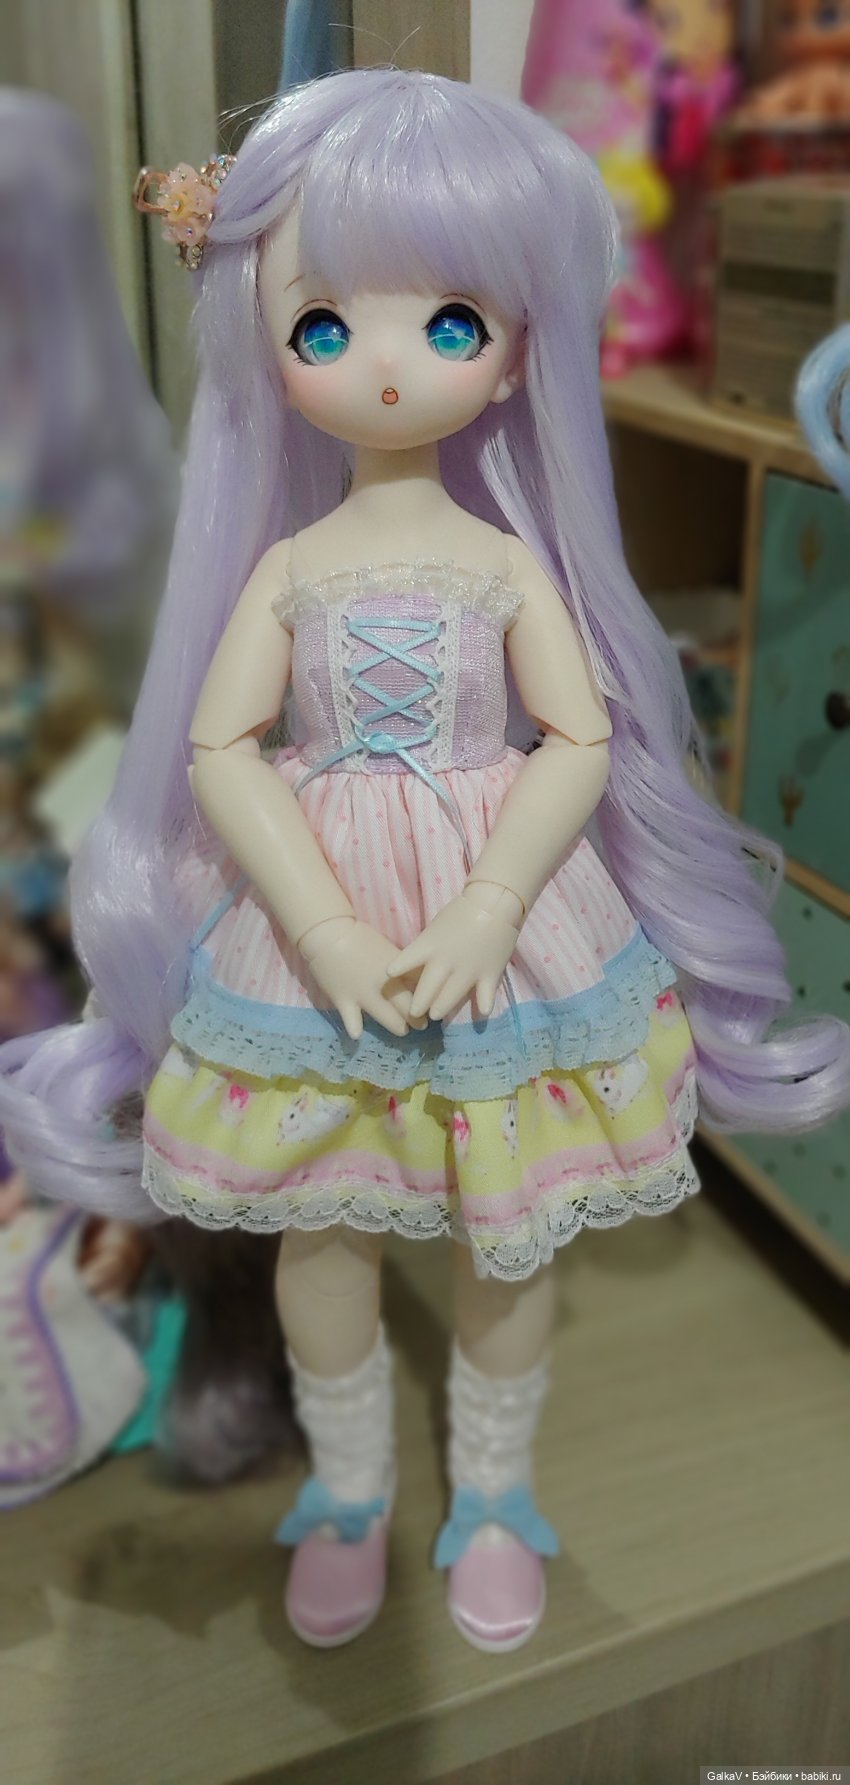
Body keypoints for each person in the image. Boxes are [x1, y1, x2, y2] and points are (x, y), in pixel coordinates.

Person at [3, 68, 848, 1653]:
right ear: (263, 333)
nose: (386, 362)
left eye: (450, 321)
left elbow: (577, 737)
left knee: (501, 1222)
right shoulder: (283, 566)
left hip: (499, 923)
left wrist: (491, 897)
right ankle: (347, 1486)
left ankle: (496, 1490)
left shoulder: (510, 564)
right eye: (324, 324)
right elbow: (218, 747)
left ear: (516, 347)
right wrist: (319, 923)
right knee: (322, 1223)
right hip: (310, 927)